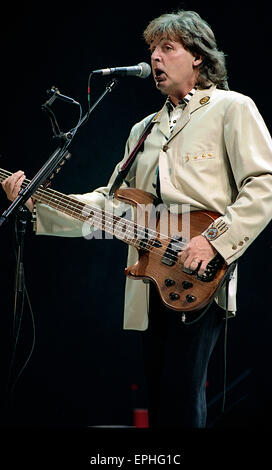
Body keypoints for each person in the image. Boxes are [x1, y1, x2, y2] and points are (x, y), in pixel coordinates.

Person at [2, 10, 272, 428]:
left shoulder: (231, 108)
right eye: (152, 49)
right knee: (162, 402)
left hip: (200, 271)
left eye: (168, 48)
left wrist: (214, 241)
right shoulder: (143, 129)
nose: (155, 58)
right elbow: (111, 205)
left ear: (198, 56)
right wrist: (37, 204)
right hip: (152, 279)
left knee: (183, 401)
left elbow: (264, 184)